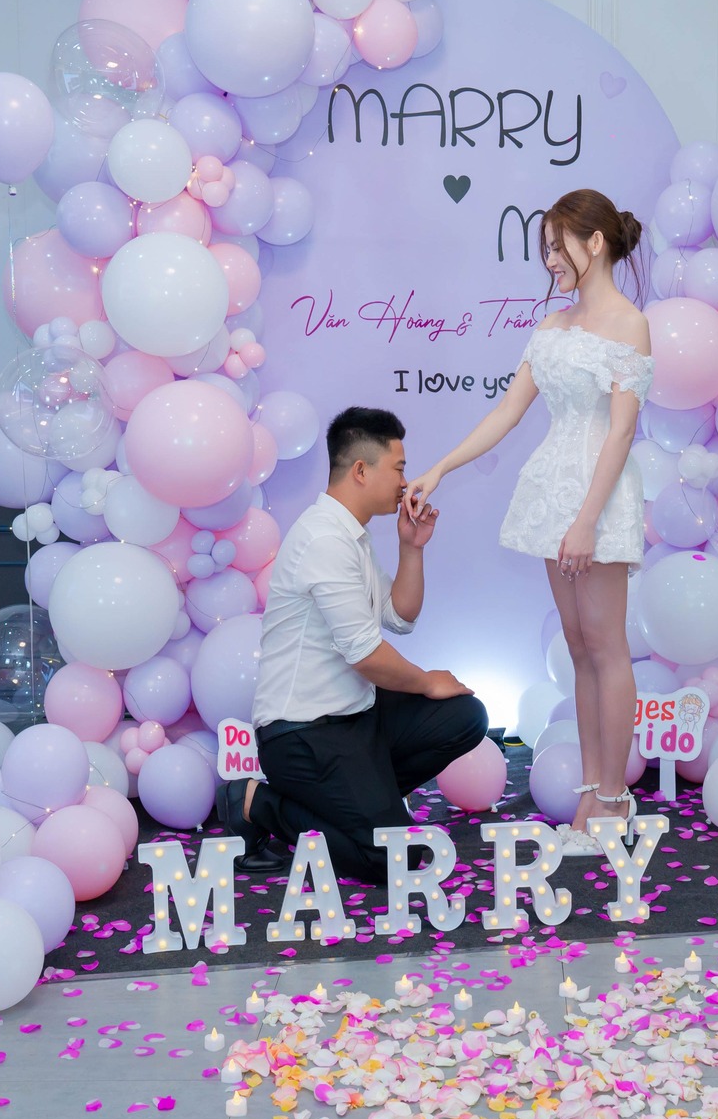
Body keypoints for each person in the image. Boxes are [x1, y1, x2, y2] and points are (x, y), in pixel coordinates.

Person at [405, 189, 652, 856]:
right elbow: (507, 413)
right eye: (544, 249)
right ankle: (592, 797)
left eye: (556, 245)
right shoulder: (550, 326)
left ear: (594, 241)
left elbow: (621, 431)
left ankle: (612, 801)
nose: (549, 260)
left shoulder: (630, 324)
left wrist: (587, 521)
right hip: (552, 490)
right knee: (579, 646)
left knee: (606, 645)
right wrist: (440, 467)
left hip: (599, 496)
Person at [220, 406, 490, 884]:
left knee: (465, 715)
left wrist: (412, 547)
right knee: (392, 859)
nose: (405, 482)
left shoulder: (352, 536)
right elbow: (365, 655)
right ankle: (258, 802)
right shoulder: (324, 538)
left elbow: (400, 617)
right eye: (399, 468)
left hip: (356, 717)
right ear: (361, 470)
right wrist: (427, 681)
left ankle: (362, 801)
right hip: (302, 734)